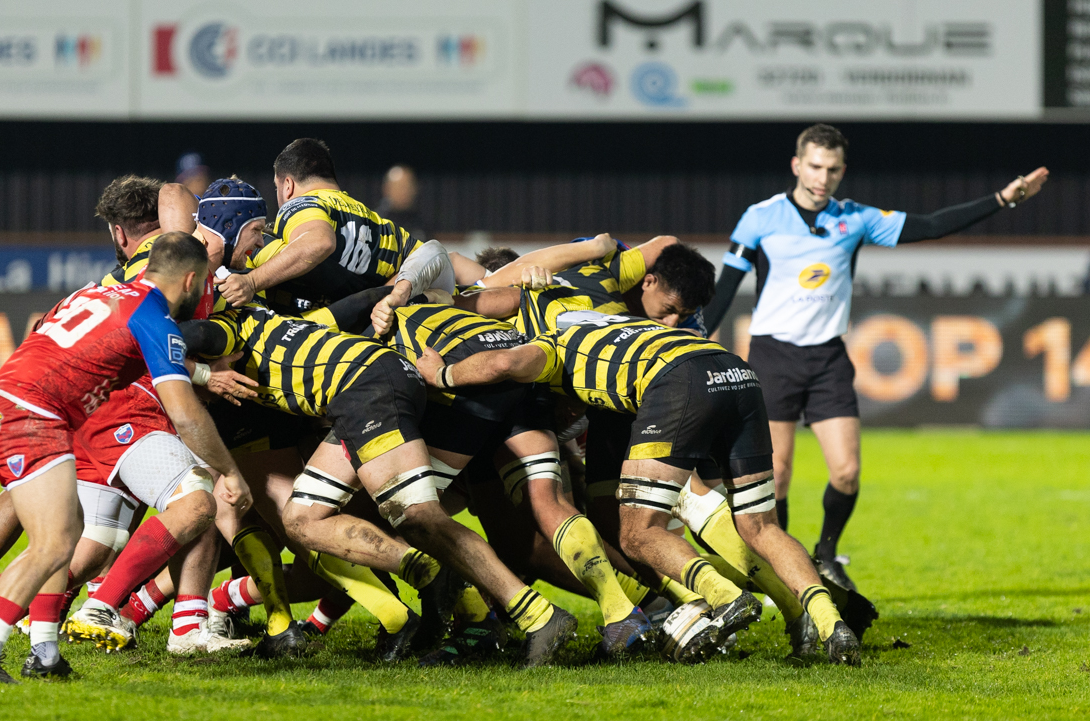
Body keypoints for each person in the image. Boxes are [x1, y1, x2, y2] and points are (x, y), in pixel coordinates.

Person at [703, 123, 1049, 591]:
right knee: (777, 474)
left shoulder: (856, 218)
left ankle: (826, 553)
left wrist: (1003, 200)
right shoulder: (760, 218)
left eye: (832, 169)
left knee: (846, 471)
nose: (822, 177)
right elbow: (726, 287)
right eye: (815, 167)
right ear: (797, 165)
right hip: (773, 357)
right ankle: (782, 570)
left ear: (842, 170)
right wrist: (694, 337)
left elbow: (930, 225)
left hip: (827, 360)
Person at [415, 309, 864, 666]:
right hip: (735, 371)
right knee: (761, 526)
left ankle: (725, 597)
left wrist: (443, 375)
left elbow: (505, 361)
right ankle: (827, 624)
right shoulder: (619, 324)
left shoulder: (551, 344)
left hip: (678, 382)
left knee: (638, 532)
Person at [180, 304, 581, 667]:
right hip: (366, 387)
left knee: (419, 518)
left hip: (367, 391)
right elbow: (367, 297)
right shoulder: (274, 318)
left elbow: (178, 338)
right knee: (303, 519)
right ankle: (432, 575)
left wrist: (197, 370)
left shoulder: (224, 329)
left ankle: (538, 616)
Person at [0, 232, 251, 684]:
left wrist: (3, 411)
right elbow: (184, 414)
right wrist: (229, 470)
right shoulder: (153, 316)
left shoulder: (95, 291)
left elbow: (41, 338)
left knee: (68, 534)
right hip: (32, 416)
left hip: (13, 403)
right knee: (55, 543)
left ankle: (45, 652)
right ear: (191, 280)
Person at [216, 139, 422, 309]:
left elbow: (319, 242)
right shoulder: (381, 225)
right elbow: (434, 261)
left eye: (276, 188)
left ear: (288, 185)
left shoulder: (301, 204)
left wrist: (252, 282)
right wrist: (386, 297)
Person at [377, 164, 428, 241]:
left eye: (408, 187)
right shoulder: (376, 222)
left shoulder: (421, 223)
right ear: (387, 189)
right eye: (400, 187)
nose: (405, 191)